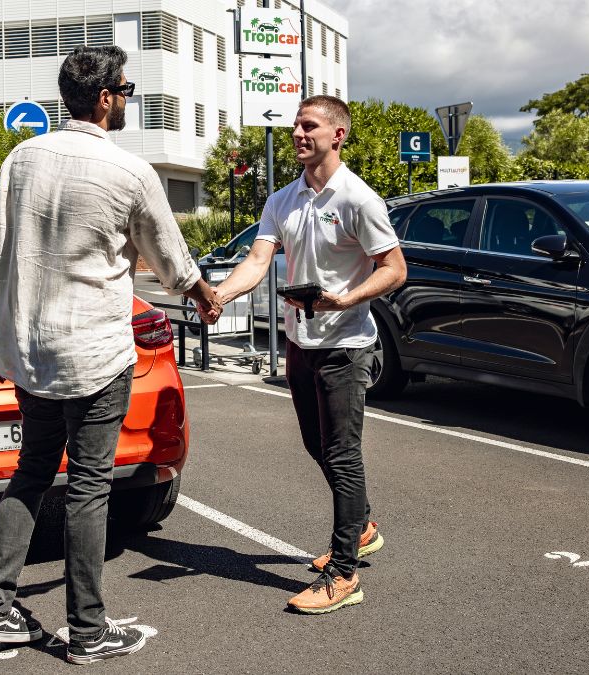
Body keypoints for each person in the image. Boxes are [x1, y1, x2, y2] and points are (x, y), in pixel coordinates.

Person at [0, 45, 220, 663]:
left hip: (29, 352)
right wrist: (206, 296)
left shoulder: (20, 160)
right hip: (94, 354)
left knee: (30, 474)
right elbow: (171, 260)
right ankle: (87, 629)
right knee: (88, 486)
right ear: (105, 98)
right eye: (127, 90)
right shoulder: (128, 172)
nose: (129, 99)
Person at [212, 95, 407, 614]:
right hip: (301, 341)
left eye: (309, 125)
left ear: (337, 135)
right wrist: (221, 295)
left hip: (346, 343)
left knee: (343, 453)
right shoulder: (283, 199)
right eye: (297, 125)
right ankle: (361, 526)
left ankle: (344, 576)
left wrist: (345, 298)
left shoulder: (358, 199)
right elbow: (258, 260)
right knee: (314, 443)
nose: (299, 133)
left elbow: (394, 269)